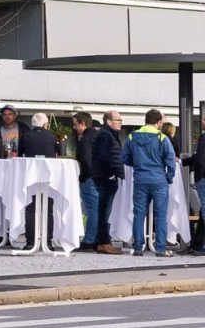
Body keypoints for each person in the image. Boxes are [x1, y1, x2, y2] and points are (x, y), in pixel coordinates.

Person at [124, 109, 179, 256]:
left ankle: (138, 247)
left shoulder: (131, 137)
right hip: (159, 180)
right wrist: (169, 177)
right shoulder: (162, 138)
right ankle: (160, 248)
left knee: (139, 214)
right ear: (159, 122)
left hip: (140, 180)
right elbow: (171, 160)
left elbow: (124, 157)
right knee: (160, 215)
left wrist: (137, 165)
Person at [75, 113, 124, 254]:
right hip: (102, 177)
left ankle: (98, 241)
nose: (121, 122)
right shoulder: (105, 135)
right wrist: (110, 174)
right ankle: (97, 241)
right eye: (118, 120)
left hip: (99, 177)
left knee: (99, 210)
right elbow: (102, 157)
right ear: (109, 122)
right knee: (100, 210)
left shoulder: (99, 135)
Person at [18, 112, 61, 246]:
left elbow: (20, 154)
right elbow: (57, 153)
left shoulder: (26, 136)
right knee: (48, 209)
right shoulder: (52, 136)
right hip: (48, 176)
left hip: (31, 176)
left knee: (30, 208)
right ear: (45, 124)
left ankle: (30, 241)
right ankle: (48, 242)